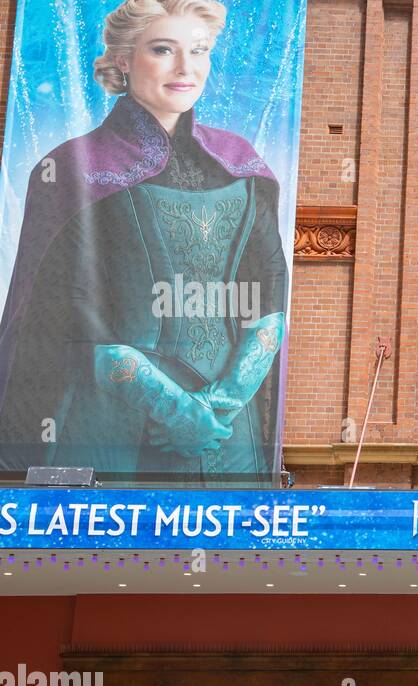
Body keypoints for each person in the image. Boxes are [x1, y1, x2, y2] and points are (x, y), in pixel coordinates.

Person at [0, 0, 288, 485]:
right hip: (111, 417)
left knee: (232, 553)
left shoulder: (242, 160)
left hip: (227, 430)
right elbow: (62, 307)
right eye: (163, 49)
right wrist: (170, 406)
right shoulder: (72, 167)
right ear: (122, 60)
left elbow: (271, 284)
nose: (185, 68)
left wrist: (220, 404)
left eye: (198, 51)